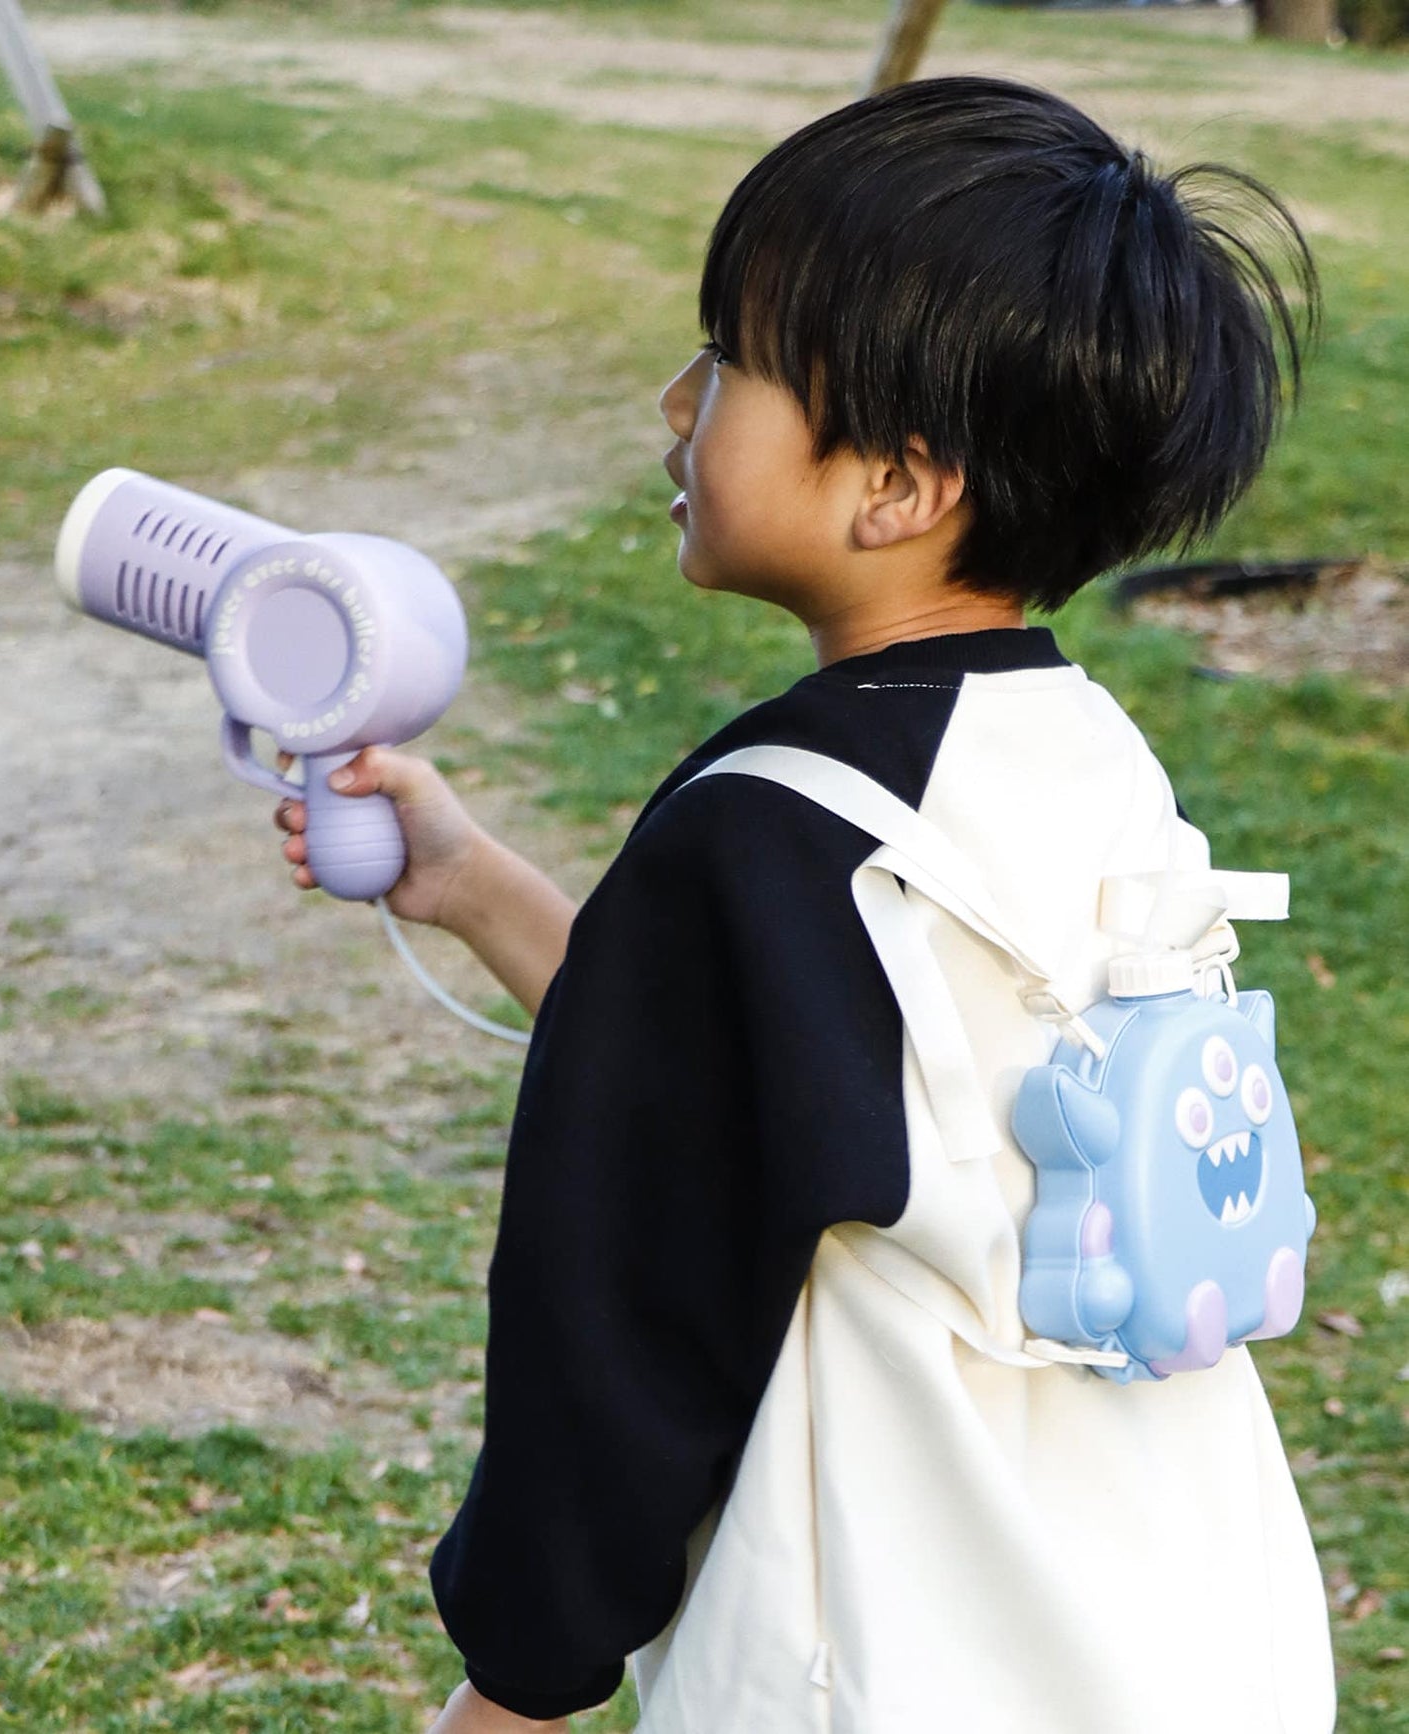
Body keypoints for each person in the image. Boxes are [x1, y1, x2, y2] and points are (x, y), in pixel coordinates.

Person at [276, 77, 1335, 1734]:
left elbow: (627, 1323)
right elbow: (824, 1101)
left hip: (898, 1658)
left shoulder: (766, 832)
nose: (674, 398)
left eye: (732, 361)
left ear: (896, 484)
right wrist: (476, 887)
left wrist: (520, 1682)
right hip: (1183, 1627)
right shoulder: (1078, 759)